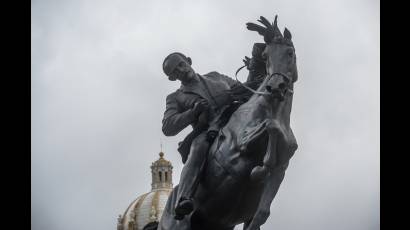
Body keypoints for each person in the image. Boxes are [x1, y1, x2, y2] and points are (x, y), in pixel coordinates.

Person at [161, 48, 264, 220]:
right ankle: (184, 197)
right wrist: (193, 113)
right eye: (175, 71)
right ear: (173, 78)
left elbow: (244, 90)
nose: (181, 69)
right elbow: (168, 126)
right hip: (208, 131)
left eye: (181, 64)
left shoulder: (216, 76)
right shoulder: (175, 97)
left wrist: (255, 68)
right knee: (197, 150)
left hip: (235, 122)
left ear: (188, 60)